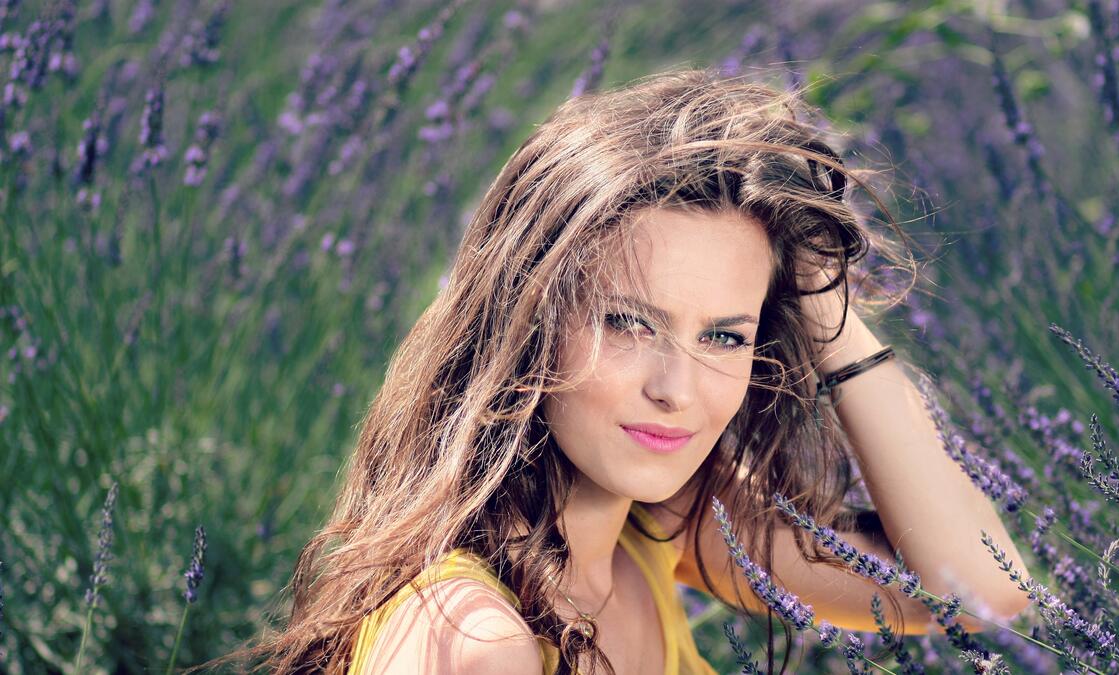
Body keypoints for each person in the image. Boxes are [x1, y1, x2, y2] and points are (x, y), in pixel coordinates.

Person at [218, 67, 1032, 675]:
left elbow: (979, 594)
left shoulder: (656, 529)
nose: (675, 390)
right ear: (527, 322)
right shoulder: (477, 640)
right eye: (629, 323)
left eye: (724, 335)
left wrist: (821, 299)